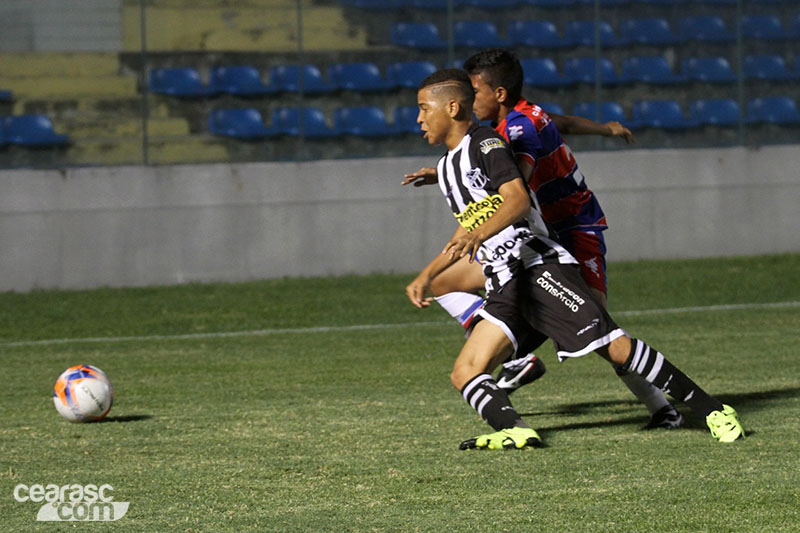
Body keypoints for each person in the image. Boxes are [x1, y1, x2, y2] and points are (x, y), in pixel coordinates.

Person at [405, 67, 743, 449]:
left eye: (423, 108)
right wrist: (428, 275)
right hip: (504, 281)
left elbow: (517, 200)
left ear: (452, 108)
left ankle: (713, 410)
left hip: (535, 267)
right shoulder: (447, 166)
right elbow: (470, 224)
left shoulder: (487, 143)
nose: (418, 119)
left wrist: (478, 235)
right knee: (464, 371)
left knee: (613, 345)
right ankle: (515, 429)